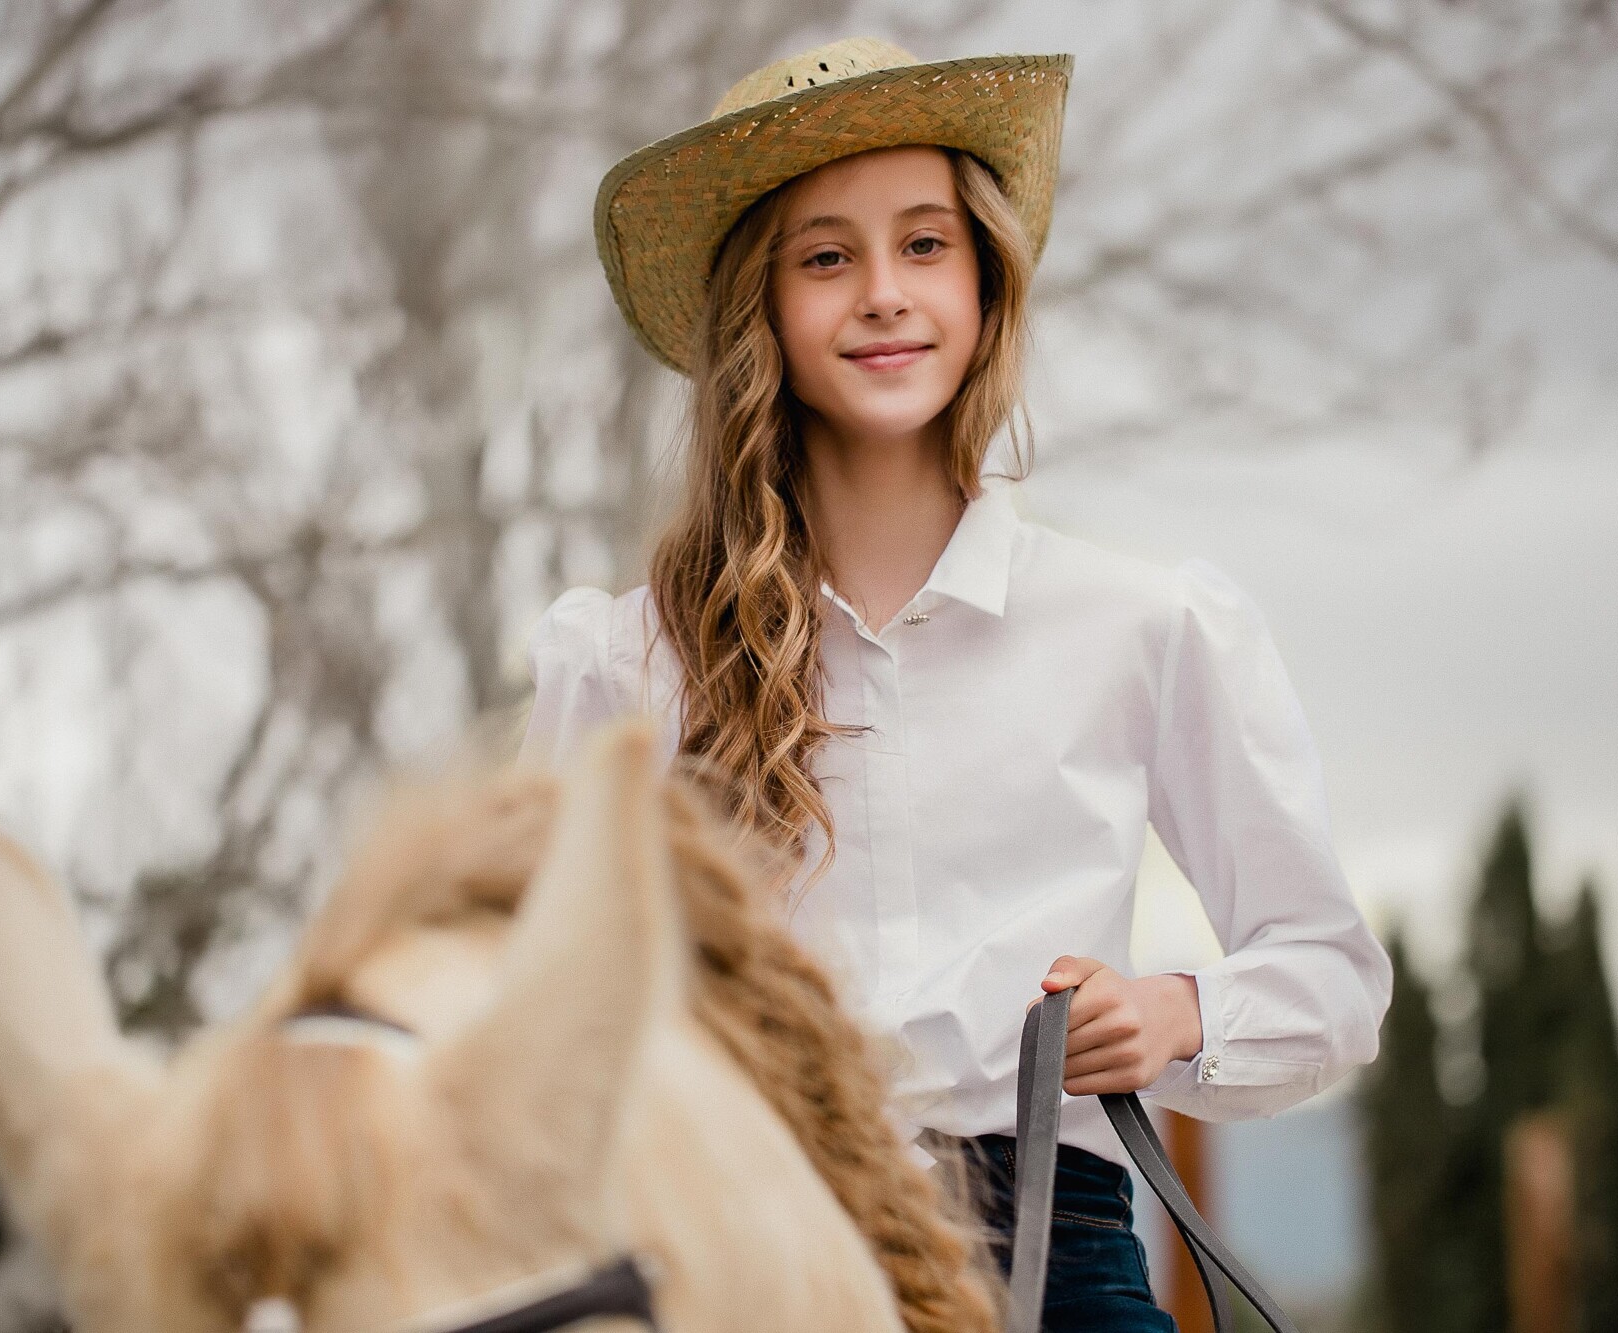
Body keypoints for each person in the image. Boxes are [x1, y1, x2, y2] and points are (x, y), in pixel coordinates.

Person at [519, 36, 1393, 1332]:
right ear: (759, 303)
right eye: (827, 256)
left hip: (1053, 1261)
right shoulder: (626, 663)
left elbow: (1334, 982)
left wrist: (1172, 1011)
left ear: (985, 278)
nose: (883, 292)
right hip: (738, 1264)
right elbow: (538, 1026)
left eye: (925, 244)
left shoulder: (1143, 626)